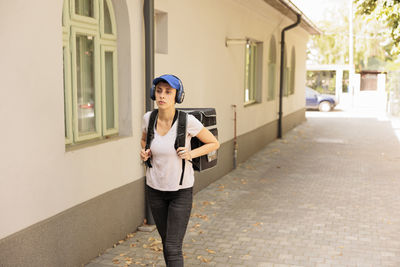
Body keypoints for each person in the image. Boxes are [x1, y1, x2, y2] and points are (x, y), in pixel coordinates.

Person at [140, 74, 220, 267]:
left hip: (180, 192)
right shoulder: (148, 118)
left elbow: (213, 143)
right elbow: (144, 140)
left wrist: (191, 153)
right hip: (154, 190)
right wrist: (144, 152)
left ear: (177, 96)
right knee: (167, 244)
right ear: (154, 93)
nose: (162, 95)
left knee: (173, 247)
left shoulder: (187, 121)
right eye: (159, 90)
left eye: (168, 92)